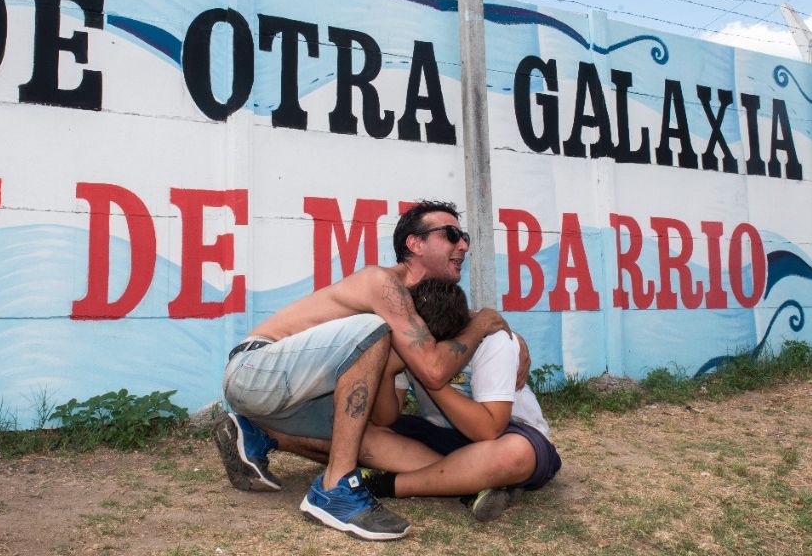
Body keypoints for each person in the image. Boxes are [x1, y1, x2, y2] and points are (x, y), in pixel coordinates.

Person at [215, 201, 506, 541]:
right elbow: (435, 369)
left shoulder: (408, 316)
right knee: (372, 329)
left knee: (373, 434)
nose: (464, 245)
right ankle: (335, 489)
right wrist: (480, 324)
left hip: (291, 401)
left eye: (464, 236)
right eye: (452, 235)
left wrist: (507, 338)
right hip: (253, 371)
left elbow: (386, 415)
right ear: (415, 244)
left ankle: (258, 433)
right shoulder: (380, 284)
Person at [360, 278, 561, 522]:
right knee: (358, 431)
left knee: (516, 454)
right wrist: (386, 373)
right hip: (440, 435)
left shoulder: (492, 341)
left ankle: (395, 484)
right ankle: (469, 479)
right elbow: (385, 418)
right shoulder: (404, 341)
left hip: (508, 433)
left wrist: (431, 374)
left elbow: (489, 429)